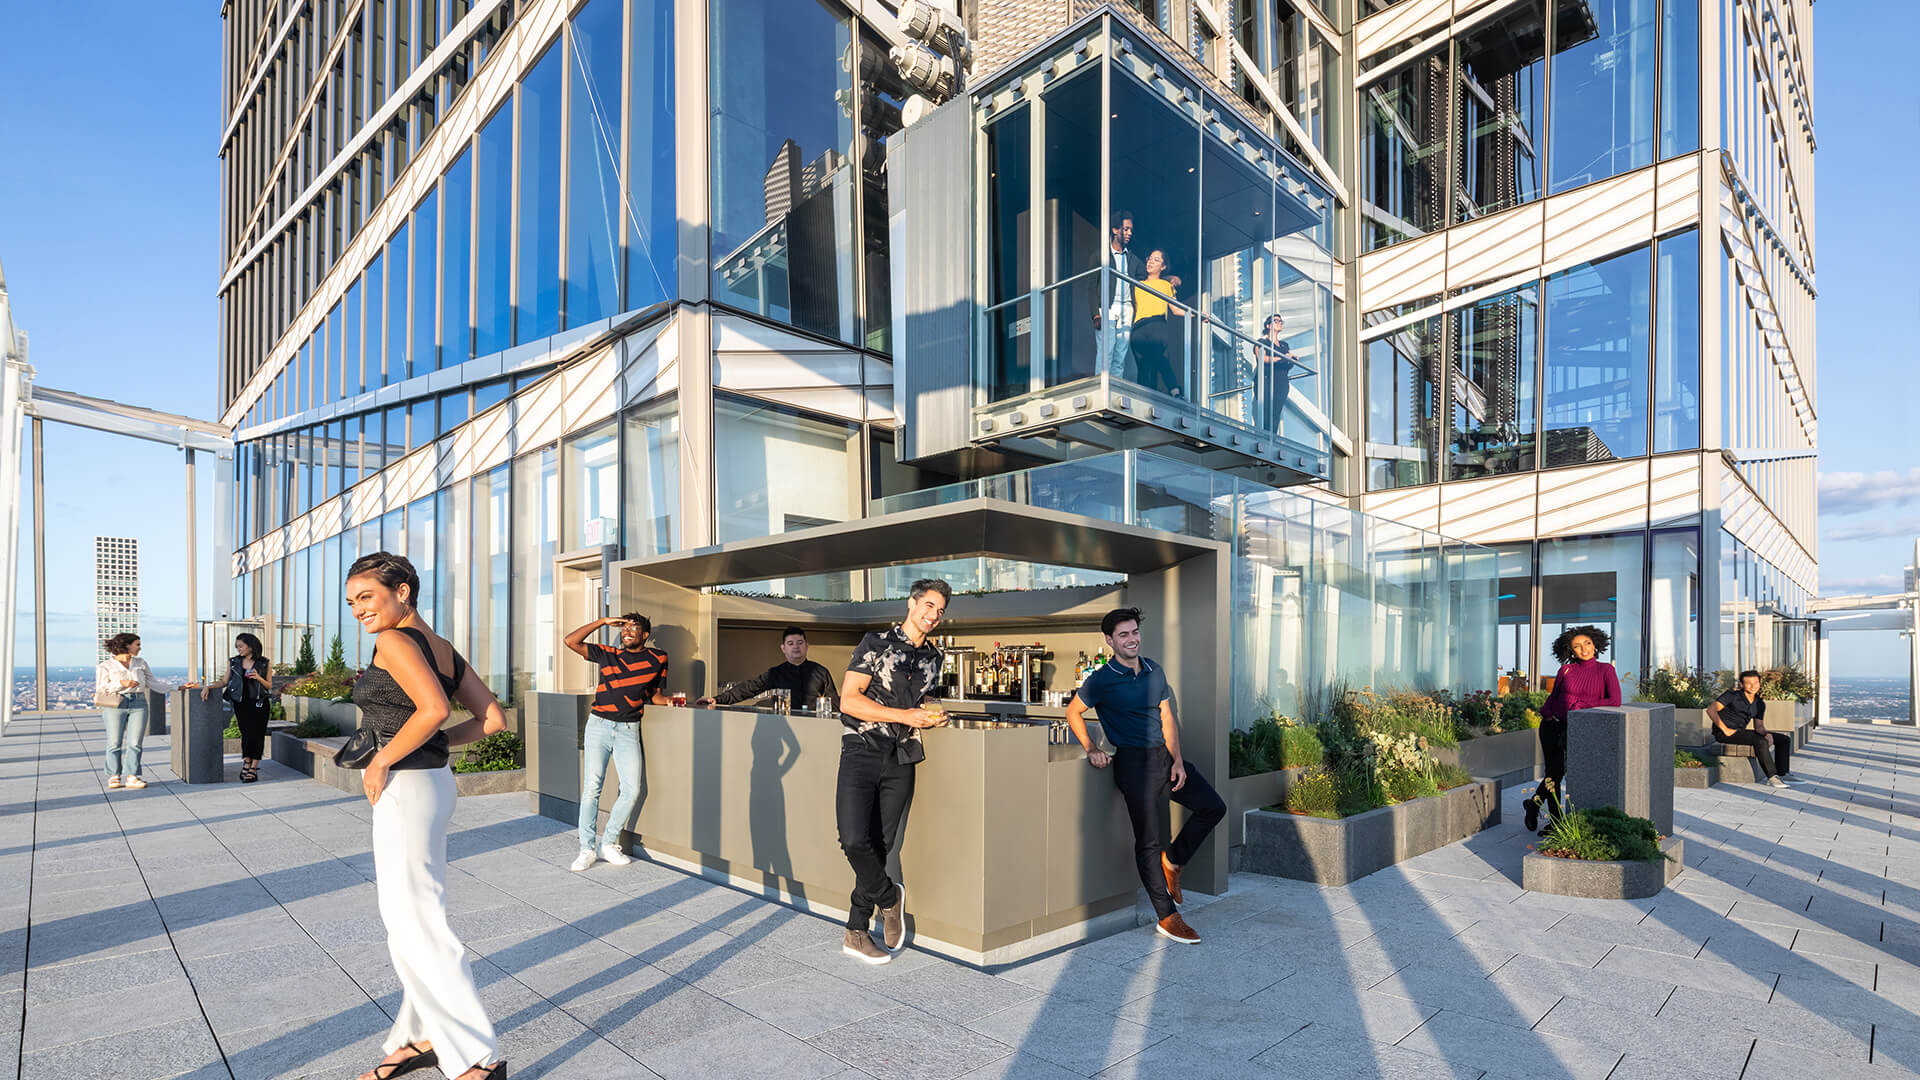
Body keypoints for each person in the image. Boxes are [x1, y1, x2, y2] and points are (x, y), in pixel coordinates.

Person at [347, 552, 507, 1080]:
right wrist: (430, 745)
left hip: (406, 787)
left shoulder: (394, 641)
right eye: (352, 602)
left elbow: (434, 710)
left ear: (403, 592)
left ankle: (476, 1058)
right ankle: (417, 1037)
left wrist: (383, 759)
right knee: (411, 916)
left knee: (417, 921)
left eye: (366, 596)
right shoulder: (442, 648)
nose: (358, 609)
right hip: (433, 784)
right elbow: (492, 720)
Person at [1065, 607, 1225, 945]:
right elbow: (1073, 711)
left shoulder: (1154, 670)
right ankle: (1167, 917)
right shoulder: (1102, 679)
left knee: (1213, 807)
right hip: (1133, 764)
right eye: (1123, 634)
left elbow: (1167, 717)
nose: (1132, 639)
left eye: (1134, 632)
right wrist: (1091, 748)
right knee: (1149, 842)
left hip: (1163, 758)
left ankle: (1174, 861)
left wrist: (1177, 761)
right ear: (1109, 641)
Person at [835, 578, 951, 964]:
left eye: (940, 610)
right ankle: (889, 898)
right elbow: (849, 700)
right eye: (929, 605)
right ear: (911, 604)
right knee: (854, 839)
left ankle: (856, 931)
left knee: (881, 845)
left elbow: (923, 698)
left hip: (902, 756)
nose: (933, 615)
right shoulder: (875, 642)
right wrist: (904, 715)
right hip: (862, 749)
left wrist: (935, 713)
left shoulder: (934, 657)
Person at [562, 613, 671, 873]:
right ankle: (586, 849)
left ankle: (608, 843)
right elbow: (570, 641)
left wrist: (675, 702)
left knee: (632, 789)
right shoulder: (608, 654)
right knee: (592, 788)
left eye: (633, 628)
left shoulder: (659, 658)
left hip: (628, 729)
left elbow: (655, 694)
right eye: (624, 628)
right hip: (598, 726)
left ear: (645, 635)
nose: (627, 632)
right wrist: (602, 622)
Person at [1525, 625, 1623, 833]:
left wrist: (1582, 705)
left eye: (1587, 643)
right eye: (1577, 646)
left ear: (1595, 645)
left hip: (1576, 729)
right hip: (1550, 726)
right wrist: (1546, 711)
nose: (1584, 649)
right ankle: (1555, 822)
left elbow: (1614, 700)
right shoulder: (1566, 670)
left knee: (1557, 770)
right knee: (1553, 773)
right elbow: (1554, 697)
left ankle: (1534, 804)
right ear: (1571, 650)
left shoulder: (1606, 670)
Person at [95, 633, 196, 790]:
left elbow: (153, 683)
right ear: (127, 645)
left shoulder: (140, 663)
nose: (140, 648)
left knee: (135, 742)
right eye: (137, 644)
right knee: (114, 742)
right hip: (116, 703)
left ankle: (132, 776)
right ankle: (114, 775)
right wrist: (121, 683)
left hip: (139, 702)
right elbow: (101, 688)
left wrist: (179, 687)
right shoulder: (105, 666)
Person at [697, 626, 837, 712]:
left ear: (806, 646)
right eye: (790, 643)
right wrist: (717, 700)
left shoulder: (821, 672)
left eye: (800, 643)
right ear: (783, 648)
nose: (796, 647)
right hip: (785, 725)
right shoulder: (776, 673)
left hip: (816, 726)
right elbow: (749, 688)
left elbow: (834, 704)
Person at [202, 633, 274, 783]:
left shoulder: (264, 662)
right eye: (237, 647)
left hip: (260, 703)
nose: (238, 649)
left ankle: (253, 768)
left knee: (258, 734)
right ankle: (247, 762)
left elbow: (269, 685)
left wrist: (258, 677)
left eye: (241, 646)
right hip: (241, 704)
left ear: (251, 646)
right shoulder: (234, 662)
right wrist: (208, 686)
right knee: (246, 734)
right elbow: (224, 681)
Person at [1709, 670, 1799, 788]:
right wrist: (1725, 729)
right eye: (1749, 683)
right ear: (1742, 684)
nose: (1753, 686)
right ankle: (1772, 777)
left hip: (1740, 732)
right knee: (1760, 741)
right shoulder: (1731, 695)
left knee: (1784, 739)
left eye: (1756, 683)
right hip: (1724, 733)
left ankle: (1783, 773)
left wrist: (1766, 734)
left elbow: (1759, 727)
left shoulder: (1759, 703)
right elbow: (1711, 710)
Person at [1091, 210, 1146, 379]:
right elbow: (1091, 287)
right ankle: (1100, 385)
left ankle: (1115, 386)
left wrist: (1169, 278)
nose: (1129, 233)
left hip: (1127, 308)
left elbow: (1148, 277)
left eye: (1131, 230)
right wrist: (1095, 314)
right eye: (1126, 229)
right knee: (1106, 350)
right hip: (1108, 306)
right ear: (1115, 230)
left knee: (1120, 353)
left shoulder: (1132, 258)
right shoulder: (1100, 256)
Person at [1129, 250, 1186, 398]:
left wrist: (1196, 315)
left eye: (1156, 260)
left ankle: (1174, 390)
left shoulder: (1165, 285)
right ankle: (1146, 396)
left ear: (1163, 266)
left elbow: (1176, 309)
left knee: (1159, 358)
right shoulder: (1137, 284)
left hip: (1157, 324)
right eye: (1149, 258)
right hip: (1138, 327)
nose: (1150, 262)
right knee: (1143, 365)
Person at [1254, 314, 1293, 432]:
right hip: (1266, 379)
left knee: (1276, 412)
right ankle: (1263, 436)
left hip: (1281, 381)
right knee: (1266, 411)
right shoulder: (1262, 342)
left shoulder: (1284, 345)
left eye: (1280, 321)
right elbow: (1263, 358)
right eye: (1276, 321)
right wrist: (1281, 358)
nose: (1279, 323)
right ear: (1268, 325)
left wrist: (1290, 358)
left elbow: (1289, 362)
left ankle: (1272, 437)